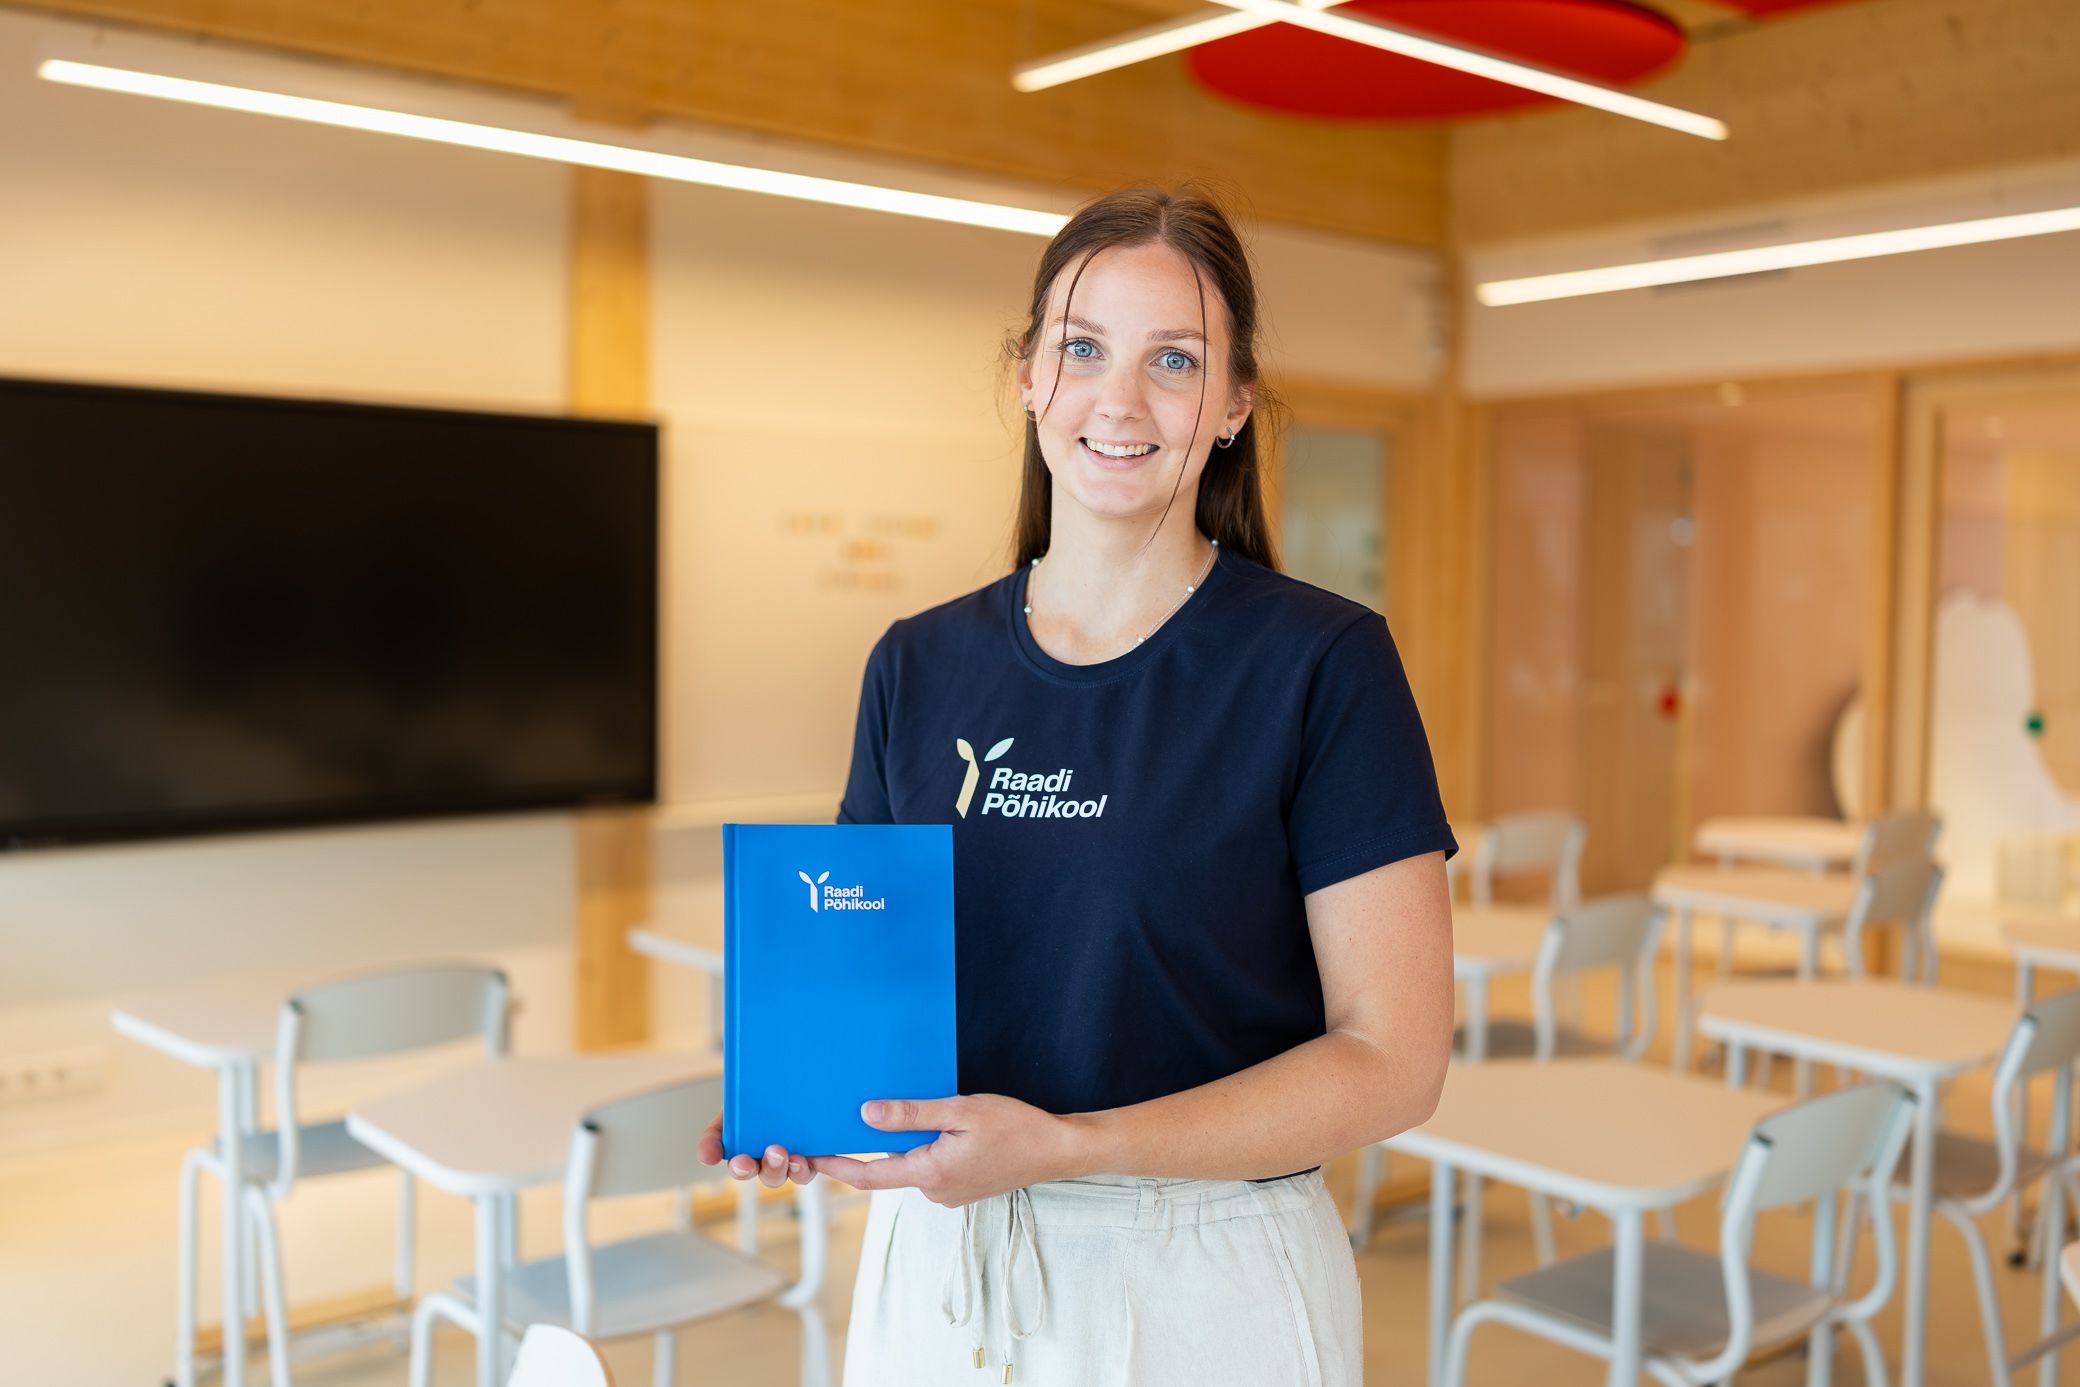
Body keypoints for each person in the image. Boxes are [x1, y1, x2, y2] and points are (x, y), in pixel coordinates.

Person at [698, 184, 1456, 1385]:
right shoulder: (916, 662)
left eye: (1174, 359)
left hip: (1204, 1280)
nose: (1119, 399)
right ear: (1028, 375)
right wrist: (797, 1094)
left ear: (1234, 404)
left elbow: (1394, 1061)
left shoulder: (1320, 663)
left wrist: (1070, 1145)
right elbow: (862, 974)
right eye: (1084, 347)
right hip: (936, 1265)